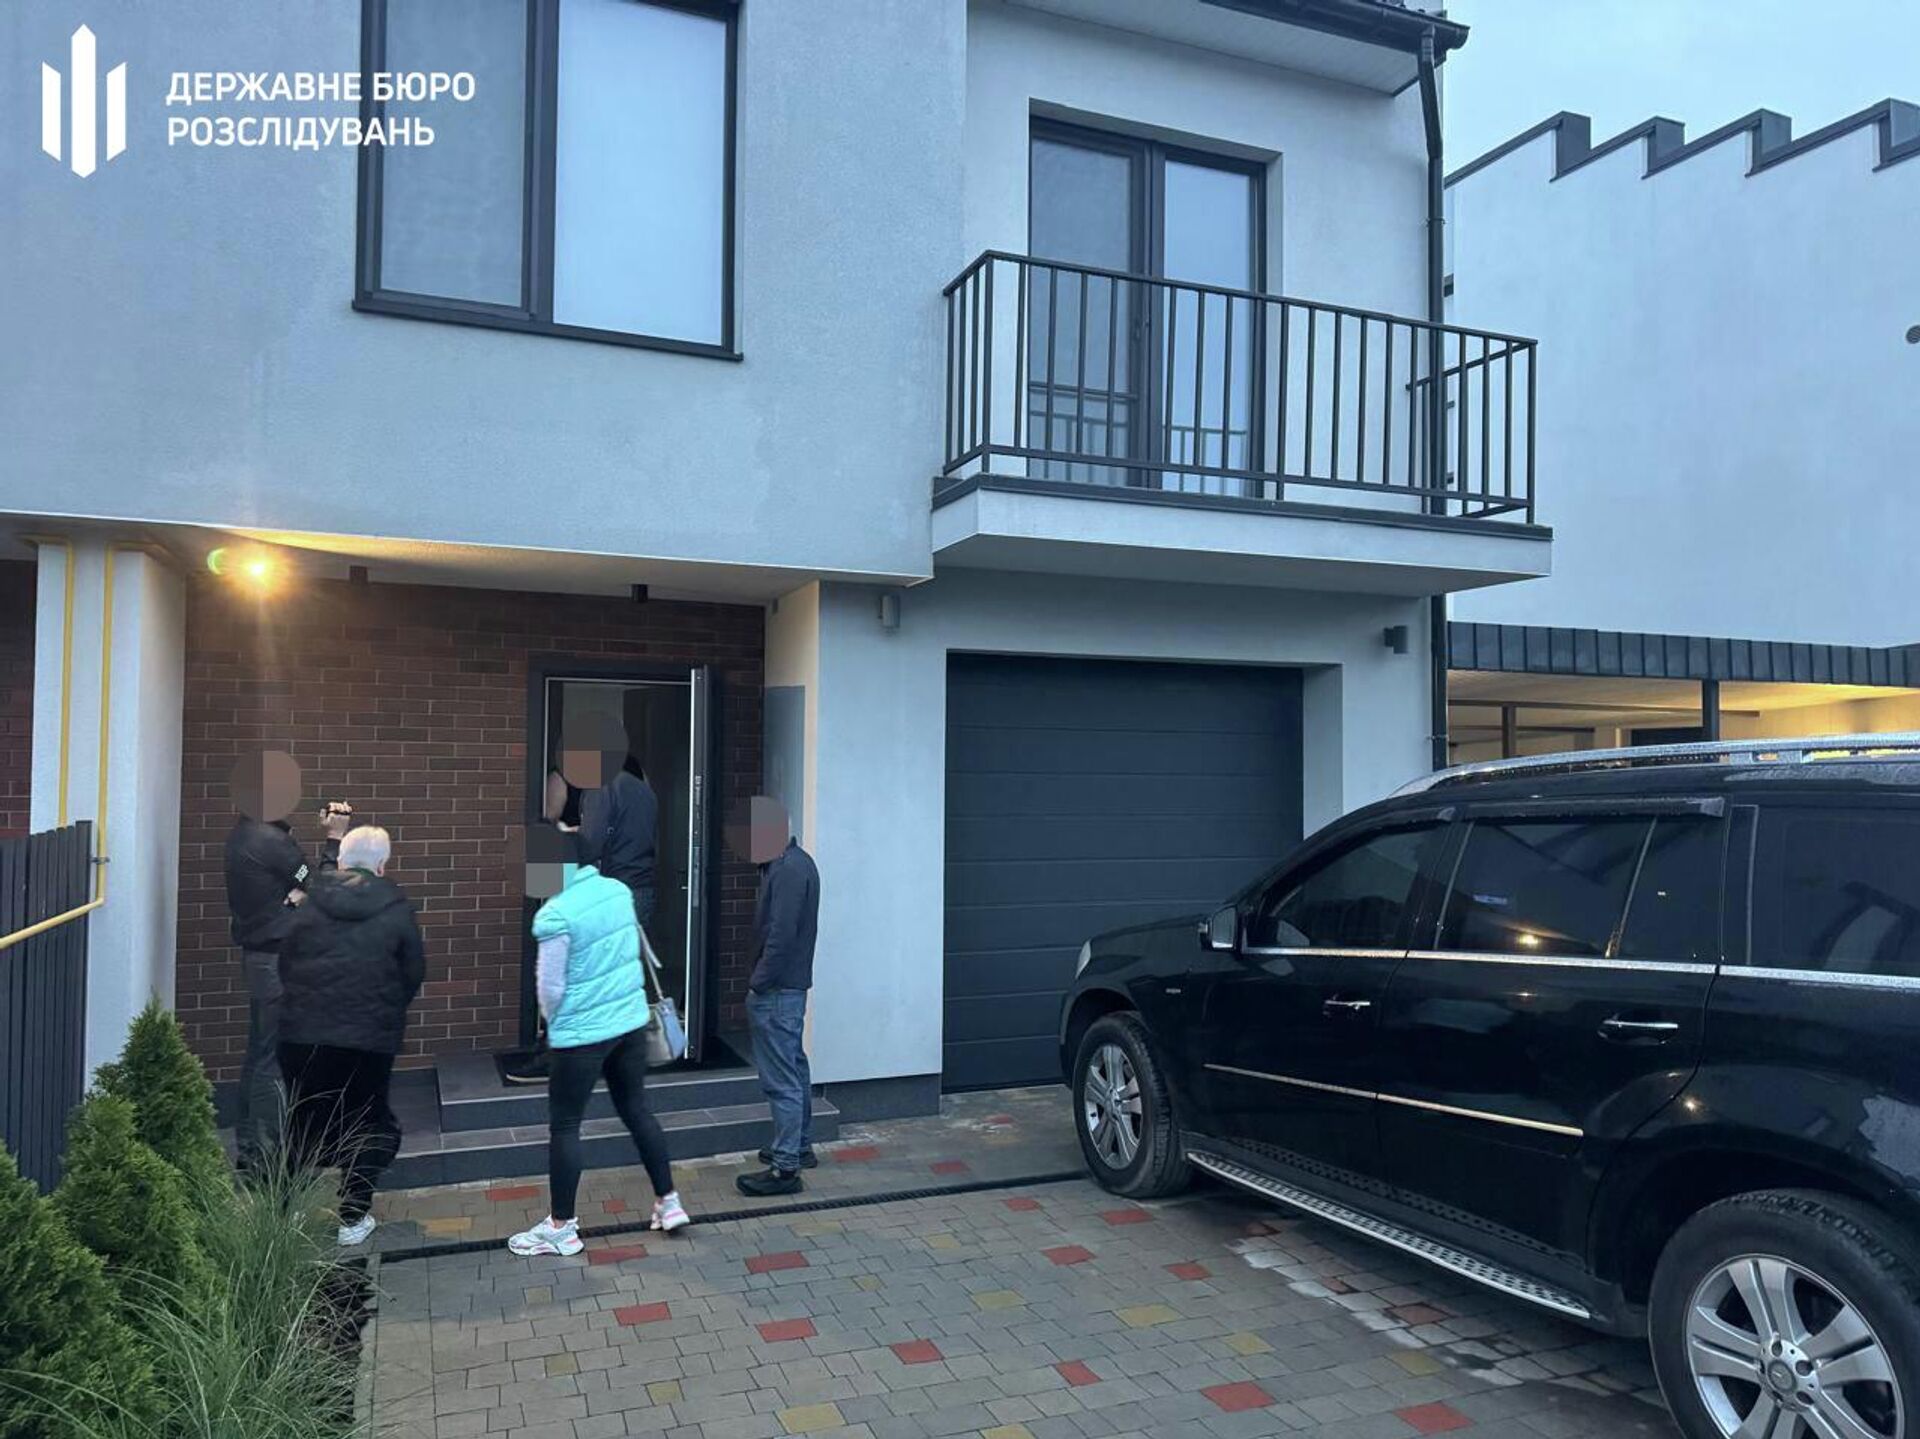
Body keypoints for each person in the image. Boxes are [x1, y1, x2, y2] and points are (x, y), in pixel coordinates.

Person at [509, 833, 689, 1257]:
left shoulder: (555, 915)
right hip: (629, 1024)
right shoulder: (617, 892)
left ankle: (561, 1227)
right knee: (637, 1110)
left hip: (581, 1035)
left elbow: (549, 988)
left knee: (566, 1126)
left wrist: (553, 1025)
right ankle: (669, 1202)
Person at [276, 825, 423, 1245]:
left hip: (301, 1035)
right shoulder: (396, 909)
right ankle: (352, 1217)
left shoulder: (309, 904)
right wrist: (387, 1011)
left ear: (341, 860)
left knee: (302, 1120)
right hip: (368, 1039)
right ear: (382, 865)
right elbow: (413, 971)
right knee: (367, 1120)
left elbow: (286, 963)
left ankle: (284, 1212)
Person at [223, 749, 349, 1173]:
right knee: (275, 1058)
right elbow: (319, 885)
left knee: (260, 1052)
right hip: (278, 961)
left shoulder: (247, 834)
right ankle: (266, 1158)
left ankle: (250, 1147)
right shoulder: (269, 840)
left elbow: (302, 887)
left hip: (261, 958)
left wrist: (296, 896)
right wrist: (334, 838)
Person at [735, 798, 820, 1197]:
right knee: (794, 1067)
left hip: (777, 990)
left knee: (781, 1079)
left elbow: (781, 934)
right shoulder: (794, 863)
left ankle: (786, 1168)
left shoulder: (787, 870)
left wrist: (759, 982)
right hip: (788, 988)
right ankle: (798, 1147)